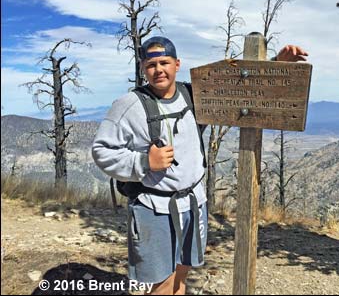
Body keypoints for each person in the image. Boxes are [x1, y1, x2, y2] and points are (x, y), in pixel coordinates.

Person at [92, 36, 308, 295]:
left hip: (194, 202)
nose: (158, 69)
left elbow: (239, 89)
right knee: (161, 284)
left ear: (177, 64)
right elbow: (101, 150)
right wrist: (143, 162)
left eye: (165, 62)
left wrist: (275, 64)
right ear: (143, 69)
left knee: (182, 274)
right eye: (151, 65)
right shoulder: (128, 105)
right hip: (153, 206)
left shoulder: (193, 95)